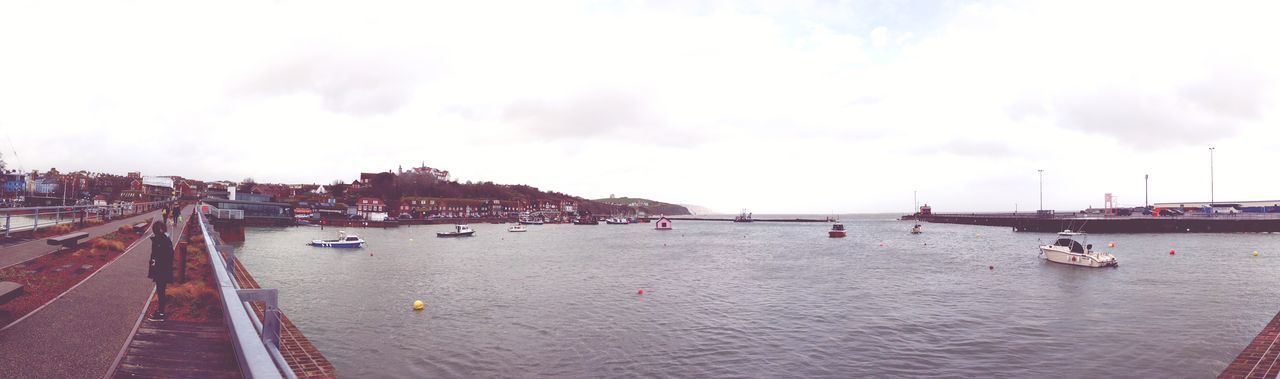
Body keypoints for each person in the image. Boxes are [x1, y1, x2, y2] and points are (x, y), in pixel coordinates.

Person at [147, 221, 174, 321]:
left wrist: (156, 266)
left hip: (162, 271)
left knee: (161, 291)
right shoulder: (162, 240)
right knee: (160, 291)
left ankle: (161, 313)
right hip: (162, 270)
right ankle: (160, 311)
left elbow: (165, 256)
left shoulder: (162, 241)